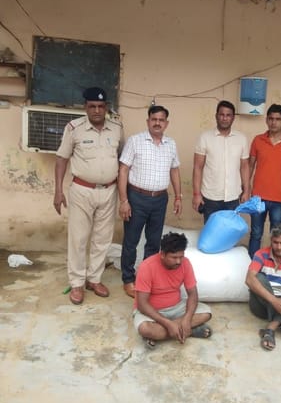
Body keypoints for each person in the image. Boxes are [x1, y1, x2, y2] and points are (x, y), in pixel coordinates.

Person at [54, 87, 123, 305]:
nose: (97, 110)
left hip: (109, 191)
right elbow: (62, 159)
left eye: (101, 106)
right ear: (85, 107)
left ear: (106, 107)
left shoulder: (117, 128)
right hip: (82, 191)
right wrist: (58, 191)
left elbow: (121, 160)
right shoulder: (74, 128)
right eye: (92, 106)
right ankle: (77, 283)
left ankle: (94, 279)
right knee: (78, 239)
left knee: (102, 239)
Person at [118, 105, 182, 298]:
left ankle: (146, 279)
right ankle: (128, 279)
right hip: (136, 198)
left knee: (153, 242)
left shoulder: (171, 144)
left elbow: (174, 170)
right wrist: (124, 200)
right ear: (148, 121)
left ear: (166, 123)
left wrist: (178, 196)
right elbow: (123, 170)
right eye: (154, 119)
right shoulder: (135, 141)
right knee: (131, 241)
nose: (157, 123)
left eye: (161, 120)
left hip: (160, 199)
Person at [133, 232, 212, 349]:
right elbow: (142, 304)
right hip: (151, 311)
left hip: (176, 307)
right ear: (162, 254)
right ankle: (189, 331)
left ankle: (160, 335)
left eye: (181, 257)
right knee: (145, 328)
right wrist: (168, 323)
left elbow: (193, 294)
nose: (178, 261)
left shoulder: (185, 263)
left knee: (206, 313)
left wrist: (187, 318)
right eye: (174, 258)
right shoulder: (147, 266)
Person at [248, 104, 281, 258]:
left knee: (277, 236)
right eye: (271, 119)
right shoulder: (258, 140)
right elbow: (250, 166)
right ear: (266, 120)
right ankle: (252, 264)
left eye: (278, 119)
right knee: (256, 233)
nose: (274, 122)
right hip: (258, 197)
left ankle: (273, 263)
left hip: (280, 198)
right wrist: (245, 189)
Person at [192, 100, 250, 223]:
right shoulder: (205, 137)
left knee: (230, 231)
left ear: (233, 118)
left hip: (233, 197)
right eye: (222, 114)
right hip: (210, 197)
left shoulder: (241, 139)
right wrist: (197, 194)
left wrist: (246, 191)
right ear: (216, 116)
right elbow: (198, 167)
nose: (224, 118)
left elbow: (244, 166)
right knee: (212, 232)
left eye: (228, 115)